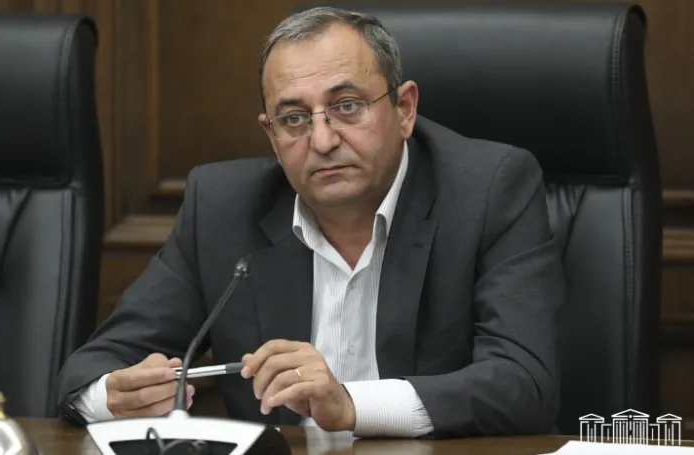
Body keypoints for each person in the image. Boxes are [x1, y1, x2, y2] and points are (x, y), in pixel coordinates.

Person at [57, 6, 565, 439]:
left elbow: (524, 385)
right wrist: (114, 396)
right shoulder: (223, 208)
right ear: (271, 135)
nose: (322, 141)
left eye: (347, 106)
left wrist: (350, 405)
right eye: (295, 118)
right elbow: (89, 369)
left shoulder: (489, 190)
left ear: (404, 108)